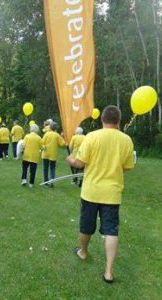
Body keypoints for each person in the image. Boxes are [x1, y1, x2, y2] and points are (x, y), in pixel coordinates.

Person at [66, 105, 134, 283]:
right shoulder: (126, 140)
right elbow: (126, 167)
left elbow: (79, 163)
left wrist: (70, 159)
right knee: (111, 230)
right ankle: (109, 272)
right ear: (118, 121)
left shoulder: (92, 136)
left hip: (91, 191)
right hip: (112, 193)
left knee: (86, 226)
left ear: (102, 119)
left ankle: (83, 251)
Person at [41, 122, 65, 187]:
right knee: (52, 168)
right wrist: (62, 136)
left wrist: (43, 146)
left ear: (50, 127)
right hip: (53, 154)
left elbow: (42, 142)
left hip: (45, 153)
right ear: (56, 128)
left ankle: (46, 182)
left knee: (45, 168)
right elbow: (62, 144)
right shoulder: (57, 135)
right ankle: (52, 181)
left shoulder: (46, 134)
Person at [21, 124, 42, 188]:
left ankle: (24, 179)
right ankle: (31, 183)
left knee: (25, 167)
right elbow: (41, 147)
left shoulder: (27, 136)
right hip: (34, 156)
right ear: (37, 130)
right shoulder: (39, 138)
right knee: (33, 170)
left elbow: (23, 145)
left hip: (26, 155)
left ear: (31, 129)